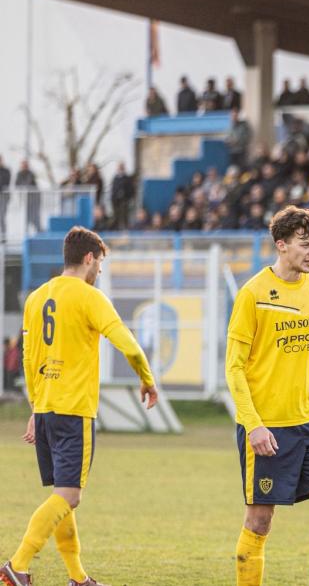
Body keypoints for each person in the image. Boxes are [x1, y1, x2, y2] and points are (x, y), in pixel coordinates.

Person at [2, 226, 157, 586]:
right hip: (73, 411)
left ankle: (78, 578)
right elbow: (129, 345)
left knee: (61, 494)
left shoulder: (37, 297)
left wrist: (35, 406)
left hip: (45, 408)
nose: (99, 271)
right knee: (69, 496)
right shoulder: (90, 297)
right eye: (99, 263)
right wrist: (147, 379)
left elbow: (29, 358)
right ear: (89, 258)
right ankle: (17, 564)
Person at [225, 206, 309, 586]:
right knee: (260, 520)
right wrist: (254, 425)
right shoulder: (253, 294)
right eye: (305, 244)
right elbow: (233, 367)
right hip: (268, 426)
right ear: (281, 245)